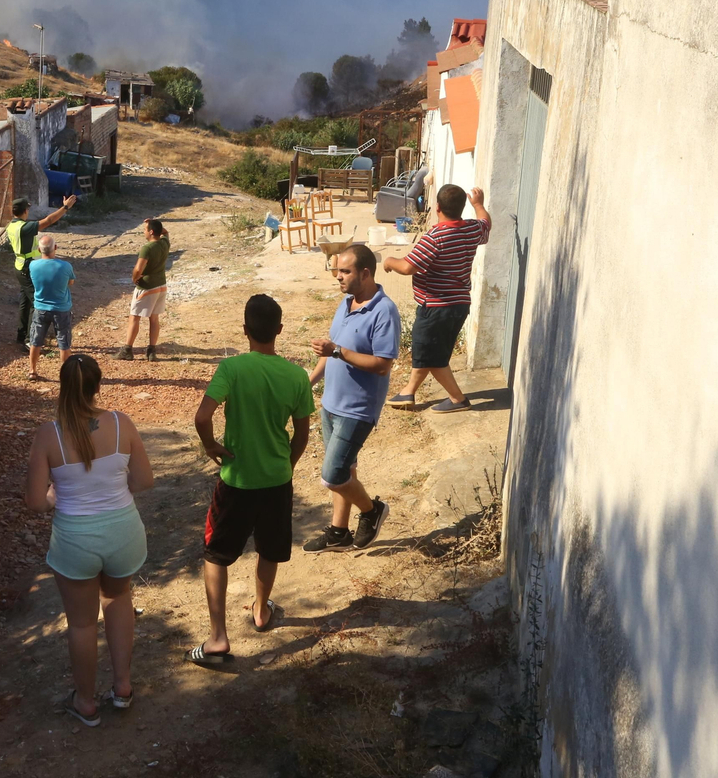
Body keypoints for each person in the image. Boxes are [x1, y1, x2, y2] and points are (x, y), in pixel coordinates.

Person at [24, 354, 154, 726]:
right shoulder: (121, 423)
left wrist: (54, 496)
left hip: (75, 541)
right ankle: (123, 688)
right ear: (98, 386)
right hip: (123, 532)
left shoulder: (49, 435)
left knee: (81, 624)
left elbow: (36, 502)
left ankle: (85, 702)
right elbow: (144, 481)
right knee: (118, 599)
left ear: (62, 388)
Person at [188, 294, 314, 668]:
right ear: (279, 329)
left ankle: (217, 638)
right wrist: (286, 464)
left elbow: (201, 417)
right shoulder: (295, 375)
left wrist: (211, 445)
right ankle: (261, 611)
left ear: (245, 331)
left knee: (216, 554)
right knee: (269, 549)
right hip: (276, 481)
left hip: (237, 480)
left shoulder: (232, 369)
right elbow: (302, 434)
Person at [303, 244, 400, 552]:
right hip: (331, 404)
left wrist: (338, 352)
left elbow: (383, 365)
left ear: (366, 273)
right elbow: (332, 352)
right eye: (337, 270)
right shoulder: (346, 303)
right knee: (347, 469)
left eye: (345, 271)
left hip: (357, 410)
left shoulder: (384, 312)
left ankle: (372, 512)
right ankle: (338, 532)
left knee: (333, 475)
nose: (338, 277)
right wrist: (309, 381)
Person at [382, 185, 491, 413]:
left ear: (438, 207)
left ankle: (457, 399)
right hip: (459, 305)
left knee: (433, 357)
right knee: (431, 351)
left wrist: (390, 261)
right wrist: (479, 205)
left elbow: (408, 267)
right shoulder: (472, 229)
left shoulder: (435, 237)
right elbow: (486, 223)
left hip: (436, 307)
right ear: (462, 208)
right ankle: (408, 392)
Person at [7, 195, 77, 350]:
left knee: (25, 302)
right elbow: (49, 220)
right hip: (27, 267)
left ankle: (21, 335)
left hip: (20, 266)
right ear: (26, 210)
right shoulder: (24, 227)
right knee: (36, 303)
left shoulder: (12, 225)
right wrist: (65, 208)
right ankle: (30, 340)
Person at [117, 218, 169, 361]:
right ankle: (152, 351)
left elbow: (138, 268)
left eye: (145, 229)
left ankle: (127, 349)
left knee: (134, 317)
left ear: (151, 232)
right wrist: (154, 222)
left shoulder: (147, 248)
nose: (143, 232)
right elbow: (165, 232)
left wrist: (135, 278)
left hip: (147, 286)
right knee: (154, 318)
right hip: (161, 285)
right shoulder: (165, 243)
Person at [27, 234, 75, 381]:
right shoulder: (65, 266)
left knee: (36, 341)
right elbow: (71, 282)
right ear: (55, 248)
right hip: (61, 309)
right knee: (63, 342)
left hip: (40, 308)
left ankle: (32, 370)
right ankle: (65, 374)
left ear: (39, 249)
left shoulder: (33, 265)